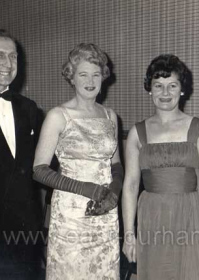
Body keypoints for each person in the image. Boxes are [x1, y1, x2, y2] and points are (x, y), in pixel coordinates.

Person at [122, 54, 199, 279]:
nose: (165, 93)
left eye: (172, 85)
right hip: (151, 218)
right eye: (158, 86)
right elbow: (131, 185)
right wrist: (129, 234)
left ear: (182, 89)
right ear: (150, 90)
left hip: (191, 218)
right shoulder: (137, 132)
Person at [33, 43, 123, 279]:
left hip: (105, 211)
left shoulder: (110, 116)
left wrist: (113, 192)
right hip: (72, 215)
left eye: (96, 74)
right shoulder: (58, 116)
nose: (90, 80)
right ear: (71, 77)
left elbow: (116, 165)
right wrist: (85, 188)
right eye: (83, 74)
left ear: (103, 77)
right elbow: (39, 170)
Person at [0, 30, 44, 279]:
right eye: (0, 56)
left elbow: (43, 164)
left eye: (13, 57)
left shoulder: (29, 108)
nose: (8, 64)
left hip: (24, 231)